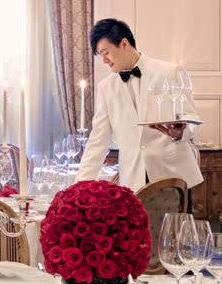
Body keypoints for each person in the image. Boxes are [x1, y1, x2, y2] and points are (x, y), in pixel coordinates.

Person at [76, 18, 203, 189]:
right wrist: (78, 188)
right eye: (101, 56)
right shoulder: (106, 88)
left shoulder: (170, 72)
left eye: (106, 52)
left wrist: (181, 133)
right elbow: (97, 141)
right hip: (133, 182)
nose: (104, 61)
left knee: (176, 218)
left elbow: (193, 121)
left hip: (174, 177)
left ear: (124, 44)